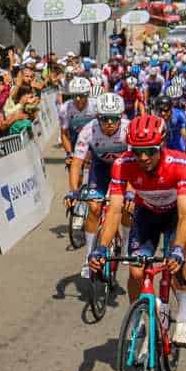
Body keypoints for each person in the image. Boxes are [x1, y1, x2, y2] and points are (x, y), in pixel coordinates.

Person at [90, 113, 186, 346]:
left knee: (183, 266)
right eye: (137, 151)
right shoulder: (122, 164)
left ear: (162, 145)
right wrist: (101, 248)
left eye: (150, 150)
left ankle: (183, 317)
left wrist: (178, 248)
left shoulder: (182, 164)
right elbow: (115, 211)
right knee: (137, 272)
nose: (144, 157)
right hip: (146, 215)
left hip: (174, 216)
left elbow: (185, 215)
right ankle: (137, 316)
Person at [69, 92, 129, 274]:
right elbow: (77, 162)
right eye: (104, 119)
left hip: (125, 169)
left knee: (127, 207)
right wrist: (74, 191)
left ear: (121, 116)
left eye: (114, 119)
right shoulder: (88, 130)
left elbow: (138, 162)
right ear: (97, 117)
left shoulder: (129, 129)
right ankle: (89, 257)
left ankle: (125, 247)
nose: (109, 123)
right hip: (100, 169)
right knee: (94, 208)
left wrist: (133, 191)